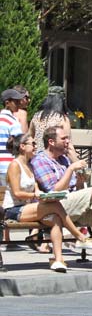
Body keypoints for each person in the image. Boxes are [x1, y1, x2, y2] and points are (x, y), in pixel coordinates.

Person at [31, 124, 92, 265]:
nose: (68, 141)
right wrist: (71, 169)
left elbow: (78, 186)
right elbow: (53, 190)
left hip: (69, 205)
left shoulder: (64, 159)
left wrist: (74, 160)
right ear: (51, 142)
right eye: (64, 138)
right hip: (52, 205)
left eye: (68, 138)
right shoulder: (39, 161)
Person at [1, 134, 76, 271]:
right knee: (55, 205)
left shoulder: (30, 165)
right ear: (23, 147)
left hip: (28, 208)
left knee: (55, 218)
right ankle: (79, 235)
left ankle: (58, 260)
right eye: (33, 144)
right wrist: (35, 195)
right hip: (12, 210)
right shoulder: (14, 165)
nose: (36, 146)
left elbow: (36, 189)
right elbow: (17, 193)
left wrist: (43, 195)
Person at [0, 88, 25, 247]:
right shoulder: (12, 121)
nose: (18, 104)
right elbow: (18, 143)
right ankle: (6, 237)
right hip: (8, 164)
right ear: (7, 102)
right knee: (9, 200)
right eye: (15, 101)